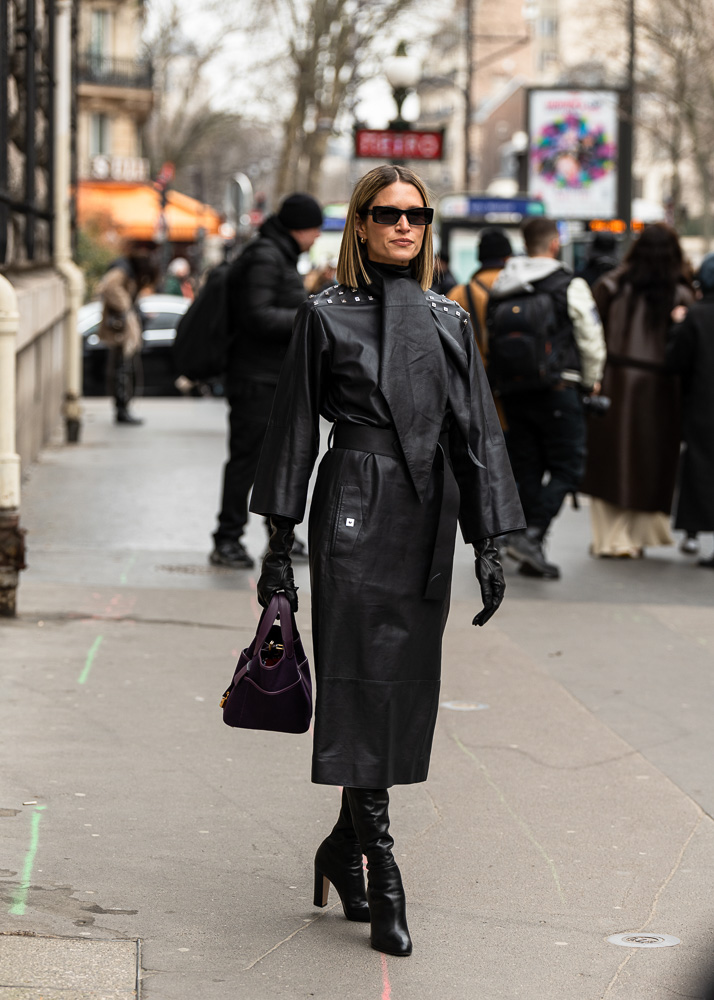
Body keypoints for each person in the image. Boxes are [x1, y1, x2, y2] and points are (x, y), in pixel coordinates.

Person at [248, 164, 524, 957]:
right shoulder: (324, 315)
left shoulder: (448, 318)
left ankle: (341, 846)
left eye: (417, 214)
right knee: (359, 678)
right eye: (388, 213)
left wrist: (490, 540)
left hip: (427, 511)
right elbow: (294, 431)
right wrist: (277, 551)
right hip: (354, 508)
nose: (405, 226)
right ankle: (383, 863)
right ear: (361, 225)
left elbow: (476, 434)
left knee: (399, 687)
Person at [209, 193, 323, 569]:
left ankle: (278, 536)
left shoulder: (277, 254)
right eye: (315, 229)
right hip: (254, 378)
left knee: (275, 463)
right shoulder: (266, 256)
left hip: (270, 377)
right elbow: (257, 316)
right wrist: (309, 314)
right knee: (246, 462)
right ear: (301, 228)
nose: (317, 237)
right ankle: (227, 539)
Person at [490, 217, 606, 578]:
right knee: (569, 467)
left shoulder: (504, 284)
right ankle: (532, 535)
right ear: (554, 244)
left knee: (527, 467)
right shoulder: (567, 283)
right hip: (558, 388)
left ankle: (526, 543)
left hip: (513, 391)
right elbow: (589, 335)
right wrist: (591, 380)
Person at [580, 223, 694, 557]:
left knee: (610, 461)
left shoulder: (611, 284)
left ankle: (612, 538)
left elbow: (590, 333)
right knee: (651, 460)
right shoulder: (682, 294)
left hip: (613, 379)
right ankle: (641, 533)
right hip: (661, 386)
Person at [665, 252, 714, 567]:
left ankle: (693, 532)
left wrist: (676, 326)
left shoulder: (696, 316)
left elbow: (675, 361)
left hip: (703, 404)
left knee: (699, 468)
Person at [96, 246, 158, 425]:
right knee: (121, 369)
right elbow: (109, 287)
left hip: (120, 330)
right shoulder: (122, 271)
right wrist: (126, 308)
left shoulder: (126, 269)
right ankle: (122, 409)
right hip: (119, 331)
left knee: (123, 368)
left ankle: (123, 407)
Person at [447, 227, 513, 364]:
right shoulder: (523, 289)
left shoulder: (458, 294)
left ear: (479, 258)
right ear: (508, 257)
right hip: (515, 379)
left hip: (475, 377)